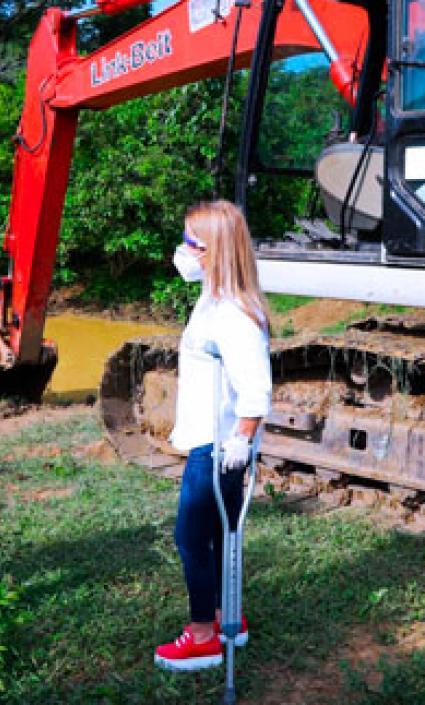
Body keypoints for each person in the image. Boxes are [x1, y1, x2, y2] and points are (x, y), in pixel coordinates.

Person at [154, 200, 273, 671]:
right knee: (216, 535)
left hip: (219, 448)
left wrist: (241, 442)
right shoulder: (214, 297)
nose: (182, 250)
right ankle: (229, 617)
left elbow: (256, 389)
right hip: (210, 440)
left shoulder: (234, 315)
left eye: (191, 243)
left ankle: (203, 634)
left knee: (190, 537)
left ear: (216, 251)